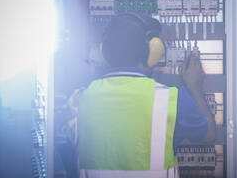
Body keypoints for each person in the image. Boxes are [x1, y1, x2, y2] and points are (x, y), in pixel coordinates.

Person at [68, 13, 215, 178]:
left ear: (104, 52)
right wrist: (194, 87)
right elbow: (209, 135)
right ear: (153, 52)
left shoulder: (78, 101)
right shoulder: (173, 100)